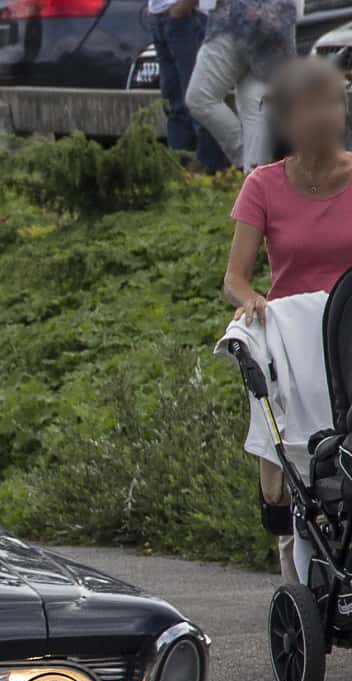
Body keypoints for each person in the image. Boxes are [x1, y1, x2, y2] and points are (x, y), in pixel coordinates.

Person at [222, 57, 352, 571]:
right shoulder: (263, 185)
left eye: (331, 104)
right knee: (296, 477)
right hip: (293, 349)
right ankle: (300, 588)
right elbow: (234, 278)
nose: (322, 116)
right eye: (308, 107)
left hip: (349, 341)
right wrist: (249, 299)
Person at [187, 0, 297, 172]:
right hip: (277, 24)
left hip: (233, 20)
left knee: (200, 98)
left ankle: (253, 170)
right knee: (255, 108)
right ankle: (256, 173)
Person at [149, 1, 227, 172]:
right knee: (175, 106)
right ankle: (181, 177)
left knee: (199, 103)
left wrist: (183, 6)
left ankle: (211, 175)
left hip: (187, 15)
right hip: (161, 14)